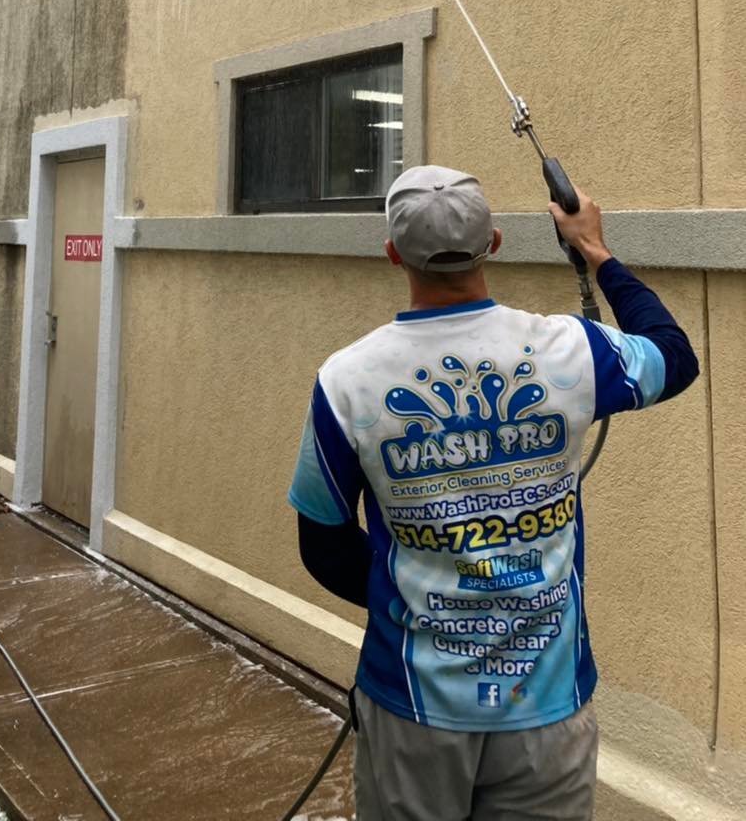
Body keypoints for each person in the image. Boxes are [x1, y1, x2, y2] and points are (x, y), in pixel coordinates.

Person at [289, 165, 698, 821]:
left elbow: (322, 544)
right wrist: (594, 250)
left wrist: (417, 612)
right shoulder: (572, 350)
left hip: (412, 704)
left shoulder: (347, 381)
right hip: (548, 703)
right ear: (496, 243)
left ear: (394, 255)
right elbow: (672, 356)